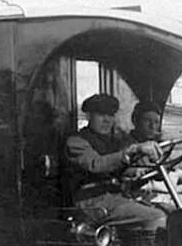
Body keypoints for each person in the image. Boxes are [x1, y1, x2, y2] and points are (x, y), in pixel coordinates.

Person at [64, 94, 164, 231]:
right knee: (156, 217)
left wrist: (139, 171)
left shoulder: (112, 142)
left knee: (171, 211)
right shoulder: (76, 142)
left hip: (115, 197)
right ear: (88, 116)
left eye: (110, 115)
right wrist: (131, 150)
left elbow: (119, 168)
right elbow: (96, 164)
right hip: (92, 202)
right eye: (101, 115)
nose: (107, 120)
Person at [126, 101, 182, 209]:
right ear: (135, 121)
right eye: (147, 120)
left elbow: (170, 168)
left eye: (156, 122)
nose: (152, 126)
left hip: (165, 192)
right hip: (143, 197)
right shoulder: (128, 147)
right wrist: (179, 188)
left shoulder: (159, 145)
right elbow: (137, 178)